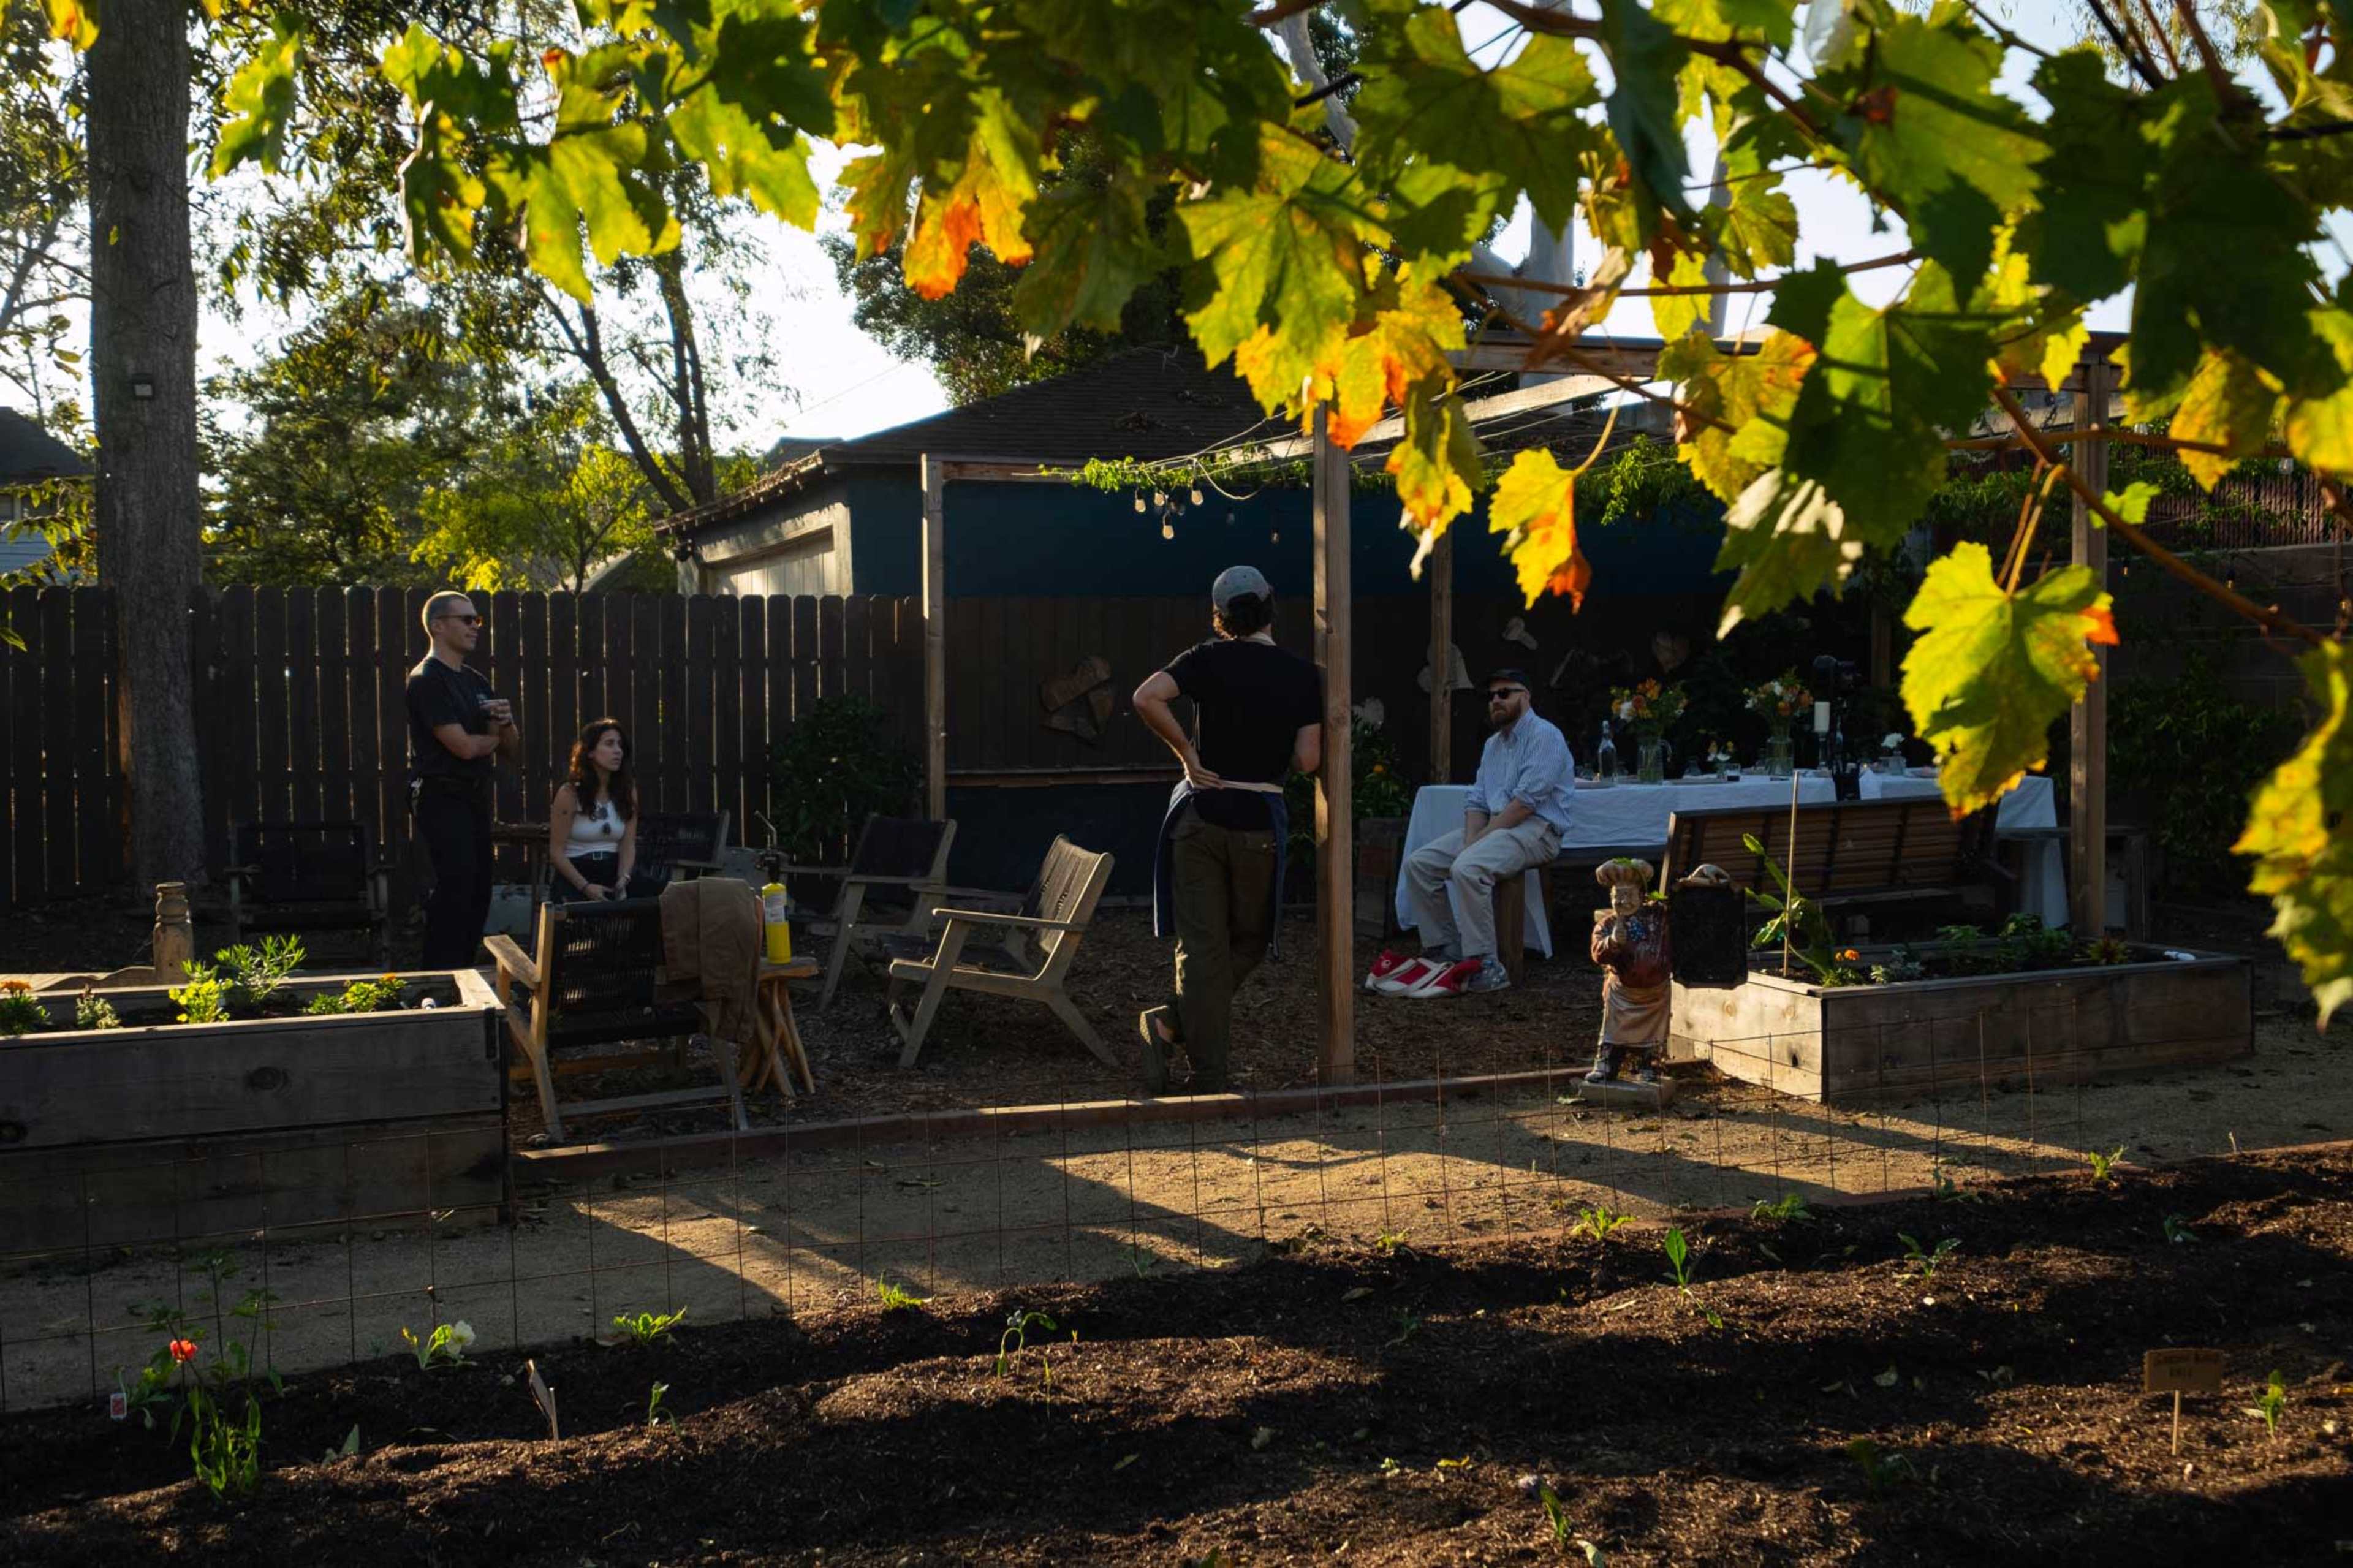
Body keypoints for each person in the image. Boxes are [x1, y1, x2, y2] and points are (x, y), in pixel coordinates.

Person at [1132, 564, 1322, 1096]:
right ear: (1271, 607)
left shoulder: (1204, 658)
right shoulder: (1302, 674)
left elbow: (1147, 696)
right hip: (1257, 824)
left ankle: (1177, 1030)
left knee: (1202, 948)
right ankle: (1199, 1065)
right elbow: (1309, 761)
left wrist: (1189, 754)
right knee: (1250, 941)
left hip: (1198, 817)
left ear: (1220, 617)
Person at [1377, 668, 1572, 997]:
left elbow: (1525, 804)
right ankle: (1445, 949)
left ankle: (1486, 964)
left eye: (1504, 693)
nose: (1495, 701)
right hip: (1499, 827)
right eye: (1491, 696)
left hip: (1537, 831)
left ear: (1526, 696)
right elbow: (1477, 799)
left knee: (1467, 868)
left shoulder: (1545, 736)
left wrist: (1476, 845)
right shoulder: (1494, 744)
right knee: (1419, 865)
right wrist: (1471, 839)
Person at [406, 591, 518, 966]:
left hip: (474, 796)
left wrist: (505, 721)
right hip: (440, 795)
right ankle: (436, 976)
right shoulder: (426, 680)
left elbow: (512, 748)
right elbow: (465, 748)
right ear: (438, 626)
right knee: (455, 885)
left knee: (479, 889)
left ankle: (462, 972)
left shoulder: (475, 680)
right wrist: (492, 736)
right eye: (466, 619)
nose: (475, 627)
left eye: (477, 620)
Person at [548, 719, 640, 903]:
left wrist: (624, 878)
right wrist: (586, 887)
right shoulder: (570, 793)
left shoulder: (628, 792)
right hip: (577, 872)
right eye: (609, 744)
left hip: (614, 870)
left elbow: (628, 844)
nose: (617, 751)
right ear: (590, 752)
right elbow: (556, 852)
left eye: (620, 745)